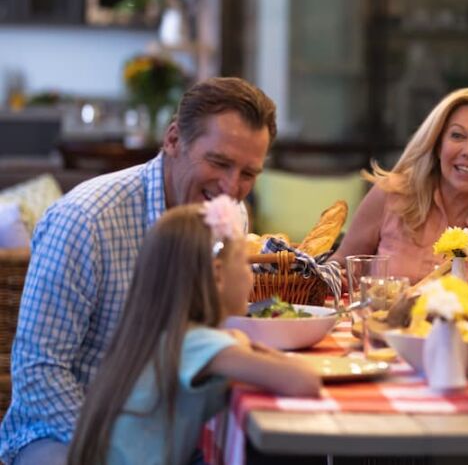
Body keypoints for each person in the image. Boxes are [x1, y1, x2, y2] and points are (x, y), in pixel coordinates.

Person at [0, 77, 277, 465]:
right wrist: (121, 450)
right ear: (173, 140)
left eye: (248, 173)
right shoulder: (85, 220)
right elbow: (38, 373)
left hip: (170, 435)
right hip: (68, 434)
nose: (232, 187)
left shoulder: (227, 215)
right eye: (219, 162)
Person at [66, 197, 321, 465]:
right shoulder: (195, 342)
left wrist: (238, 342)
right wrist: (242, 342)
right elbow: (303, 381)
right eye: (245, 264)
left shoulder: (162, 334)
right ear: (219, 276)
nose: (252, 276)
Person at [332, 88, 468, 287]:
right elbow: (339, 267)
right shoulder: (390, 194)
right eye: (457, 135)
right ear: (437, 144)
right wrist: (331, 277)